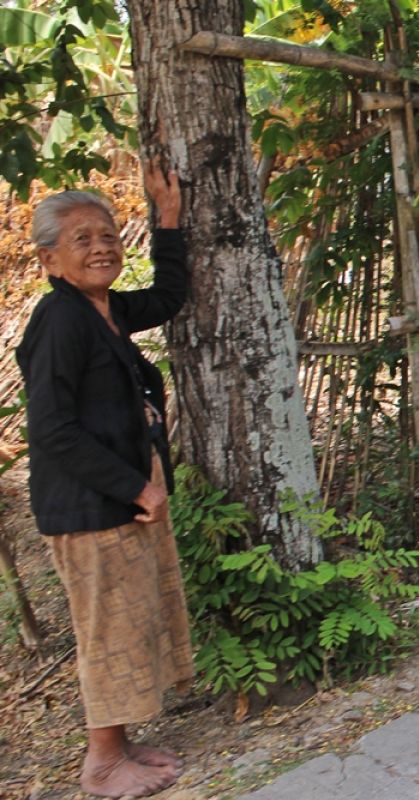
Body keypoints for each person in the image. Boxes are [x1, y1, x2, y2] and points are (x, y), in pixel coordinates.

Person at [16, 162, 193, 798]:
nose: (101, 248)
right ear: (49, 260)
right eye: (83, 239)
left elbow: (168, 298)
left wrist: (167, 220)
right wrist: (135, 486)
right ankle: (100, 766)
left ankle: (119, 745)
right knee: (106, 634)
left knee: (128, 624)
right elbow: (52, 430)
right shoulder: (61, 321)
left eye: (109, 236)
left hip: (114, 499)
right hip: (89, 504)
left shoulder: (105, 309)